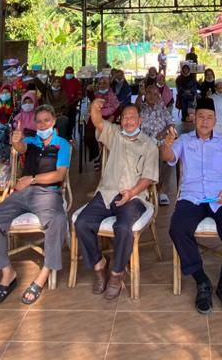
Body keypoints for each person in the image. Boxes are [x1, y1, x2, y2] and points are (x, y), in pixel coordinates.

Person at [162, 99, 222, 316]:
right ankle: (201, 281)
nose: (205, 121)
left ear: (215, 121)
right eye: (201, 116)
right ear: (194, 118)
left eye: (209, 117)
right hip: (192, 197)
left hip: (221, 196)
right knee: (177, 228)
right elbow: (169, 157)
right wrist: (167, 144)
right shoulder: (184, 140)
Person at [0, 104, 71, 305]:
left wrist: (31, 179)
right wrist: (16, 140)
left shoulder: (62, 144)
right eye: (39, 121)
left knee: (58, 220)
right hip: (22, 194)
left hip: (47, 193)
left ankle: (45, 272)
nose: (43, 125)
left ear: (53, 121)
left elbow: (60, 175)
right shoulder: (32, 141)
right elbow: (20, 147)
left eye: (46, 121)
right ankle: (8, 273)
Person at [73, 99, 158, 300]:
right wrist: (94, 108)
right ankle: (99, 265)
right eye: (125, 117)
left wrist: (132, 192)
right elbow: (98, 121)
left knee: (123, 227)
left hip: (134, 197)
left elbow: (148, 178)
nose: (128, 121)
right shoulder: (115, 135)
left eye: (132, 117)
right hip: (107, 193)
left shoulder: (149, 145)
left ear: (140, 120)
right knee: (82, 223)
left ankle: (116, 274)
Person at [138, 81, 177, 206]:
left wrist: (164, 132)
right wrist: (140, 95)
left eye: (155, 94)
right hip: (145, 142)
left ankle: (161, 190)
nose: (152, 96)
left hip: (160, 141)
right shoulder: (141, 108)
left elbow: (171, 123)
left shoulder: (162, 108)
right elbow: (135, 108)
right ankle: (151, 187)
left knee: (166, 155)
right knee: (154, 154)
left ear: (159, 96)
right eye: (149, 93)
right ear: (145, 94)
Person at [85, 71, 120, 164]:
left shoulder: (112, 94)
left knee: (109, 135)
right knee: (89, 136)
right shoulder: (95, 94)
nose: (102, 85)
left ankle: (107, 158)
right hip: (96, 116)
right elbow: (91, 97)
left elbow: (118, 108)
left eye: (104, 83)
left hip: (109, 117)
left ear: (108, 84)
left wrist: (113, 116)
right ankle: (97, 155)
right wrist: (89, 90)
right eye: (100, 83)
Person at [37, 74, 74, 140]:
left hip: (59, 115)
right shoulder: (46, 91)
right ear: (51, 82)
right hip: (47, 114)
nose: (56, 84)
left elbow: (66, 106)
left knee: (64, 120)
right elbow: (39, 85)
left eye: (58, 82)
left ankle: (61, 141)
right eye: (54, 82)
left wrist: (60, 113)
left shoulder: (63, 92)